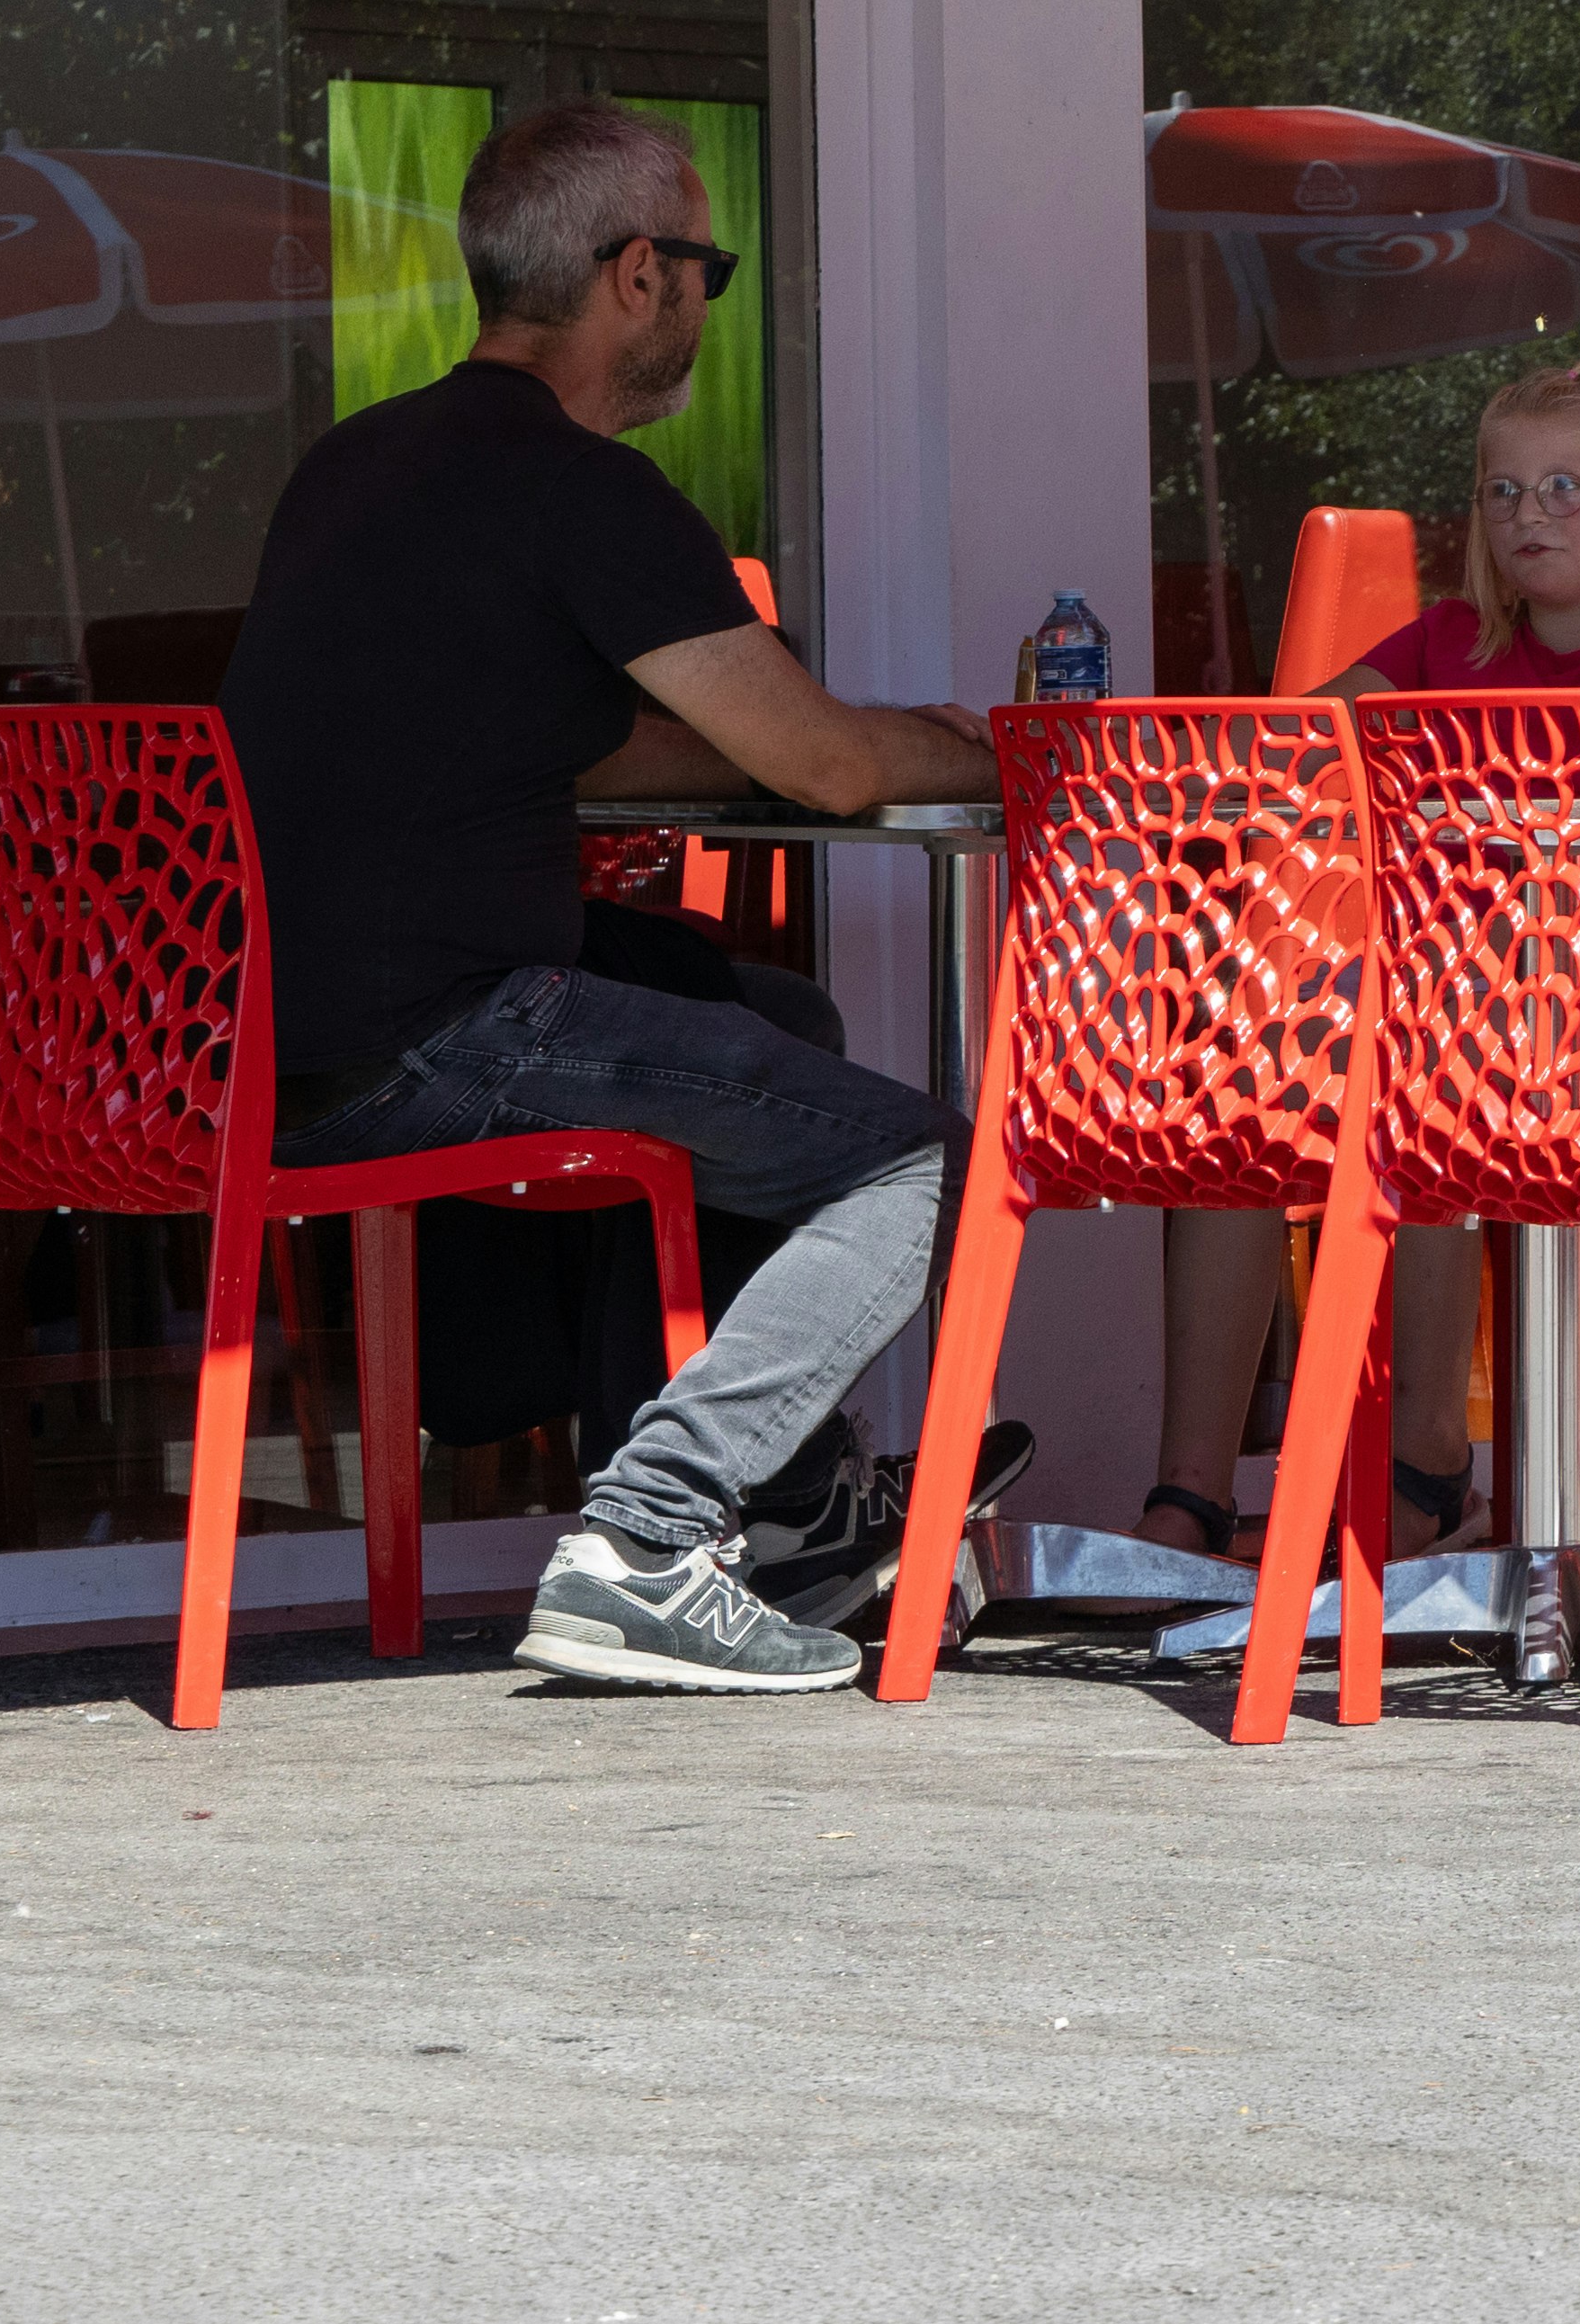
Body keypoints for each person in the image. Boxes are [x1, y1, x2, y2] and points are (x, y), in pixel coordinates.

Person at [227, 103, 1007, 1695]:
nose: (708, 303)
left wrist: (856, 744)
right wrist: (978, 747)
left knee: (764, 1015)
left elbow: (597, 744)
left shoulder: (362, 463)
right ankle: (649, 1534)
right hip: (441, 1035)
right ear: (637, 275)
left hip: (256, 1041)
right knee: (927, 1159)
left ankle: (781, 1510)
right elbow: (825, 770)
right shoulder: (583, 489)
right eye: (705, 268)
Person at [1137, 360, 1580, 1560]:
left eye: (1566, 487)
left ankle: (1425, 1461)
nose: (1528, 513)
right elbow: (1290, 750)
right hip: (1455, 1018)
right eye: (1501, 492)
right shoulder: (1450, 643)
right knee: (1249, 1064)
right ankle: (1194, 1492)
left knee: (1418, 1033)